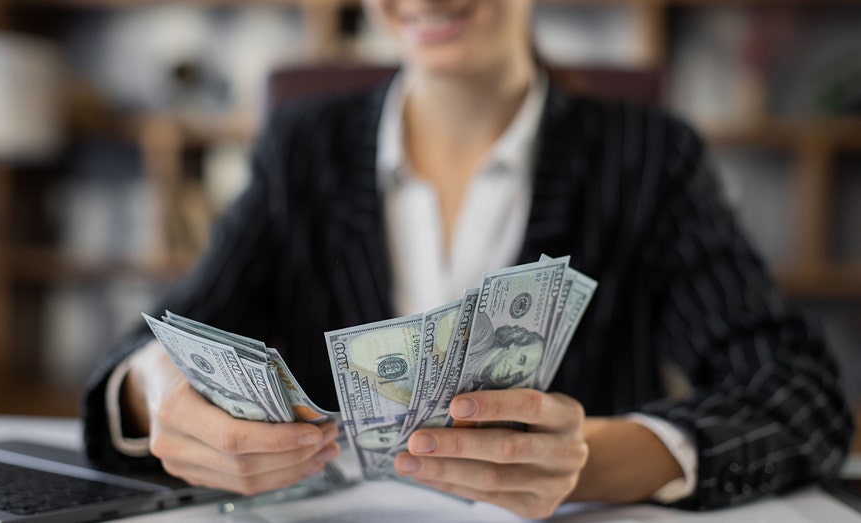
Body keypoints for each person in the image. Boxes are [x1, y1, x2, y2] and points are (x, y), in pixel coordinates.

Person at [82, 0, 854, 519]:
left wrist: (596, 460)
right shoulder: (302, 151)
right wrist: (155, 388)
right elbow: (162, 340)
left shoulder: (648, 158)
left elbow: (800, 395)